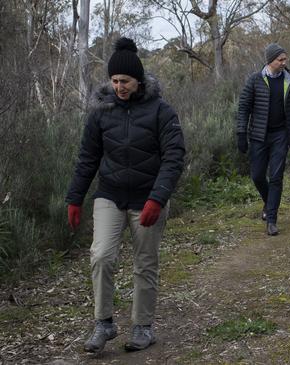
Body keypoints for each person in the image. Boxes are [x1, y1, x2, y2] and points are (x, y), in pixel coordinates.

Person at [66, 37, 185, 353]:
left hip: (148, 199)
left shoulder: (161, 111)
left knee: (145, 263)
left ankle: (143, 327)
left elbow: (174, 157)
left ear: (139, 80)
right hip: (110, 195)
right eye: (115, 80)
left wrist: (157, 198)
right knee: (101, 255)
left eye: (125, 81)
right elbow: (87, 158)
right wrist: (74, 198)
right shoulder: (101, 113)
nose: (119, 86)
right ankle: (103, 324)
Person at [237, 43, 290, 236]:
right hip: (259, 135)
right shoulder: (255, 80)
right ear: (270, 61)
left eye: (285, 59)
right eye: (280, 60)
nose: (284, 63)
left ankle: (272, 219)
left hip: (281, 136)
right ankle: (269, 203)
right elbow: (243, 108)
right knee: (257, 176)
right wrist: (241, 134)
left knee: (276, 177)